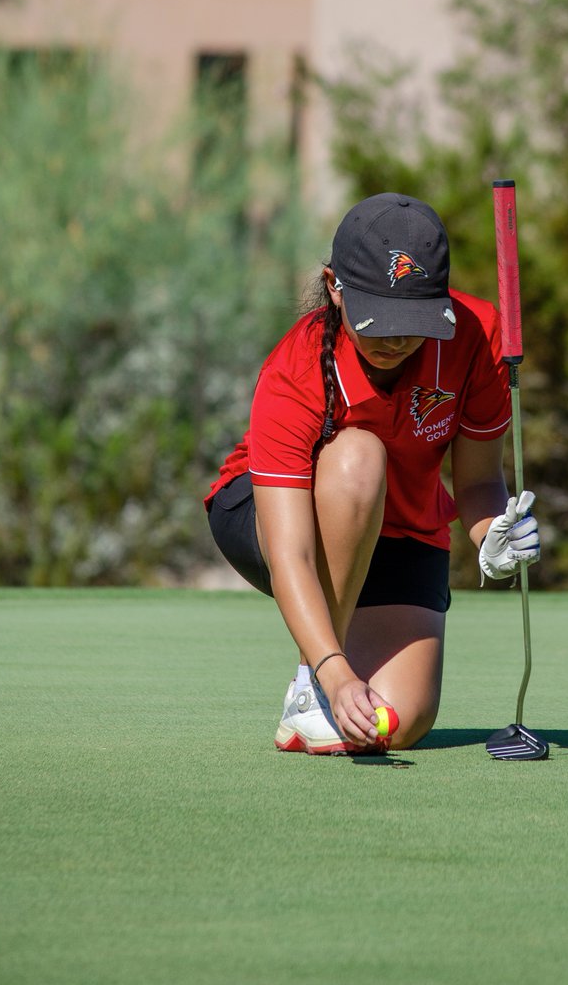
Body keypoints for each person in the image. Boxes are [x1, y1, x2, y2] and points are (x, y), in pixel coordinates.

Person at [205, 192, 539, 754]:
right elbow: (291, 554)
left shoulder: (478, 337)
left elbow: (480, 481)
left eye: (413, 321)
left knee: (393, 724)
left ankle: (329, 677)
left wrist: (491, 540)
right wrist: (332, 673)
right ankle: (308, 686)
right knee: (359, 456)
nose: (396, 340)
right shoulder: (296, 368)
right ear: (335, 287)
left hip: (402, 523)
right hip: (275, 517)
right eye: (378, 320)